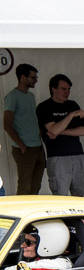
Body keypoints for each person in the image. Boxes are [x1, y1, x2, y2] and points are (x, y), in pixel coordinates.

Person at [36, 74, 84, 197]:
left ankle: (81, 217)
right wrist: (71, 116)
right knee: (61, 196)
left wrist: (60, 131)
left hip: (78, 154)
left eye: (69, 89)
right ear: (53, 89)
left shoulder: (72, 105)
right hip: (57, 157)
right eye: (63, 89)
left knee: (83, 196)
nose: (67, 92)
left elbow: (83, 131)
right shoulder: (44, 107)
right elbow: (52, 129)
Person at [3, 63, 46, 195]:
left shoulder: (31, 96)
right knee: (24, 185)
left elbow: (31, 118)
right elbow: (7, 124)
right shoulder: (12, 96)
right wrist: (21, 145)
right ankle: (21, 213)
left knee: (36, 184)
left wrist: (39, 133)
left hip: (37, 145)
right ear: (22, 77)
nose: (35, 80)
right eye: (33, 77)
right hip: (24, 147)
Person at [2, 223, 72, 270]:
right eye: (22, 241)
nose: (22, 245)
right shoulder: (36, 258)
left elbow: (35, 267)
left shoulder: (62, 263)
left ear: (49, 244)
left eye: (28, 242)